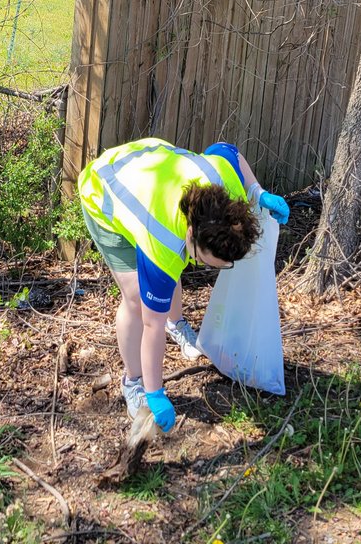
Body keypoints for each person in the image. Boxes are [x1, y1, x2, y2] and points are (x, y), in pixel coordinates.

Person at [77, 138, 289, 432]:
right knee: (138, 300)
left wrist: (258, 193)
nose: (212, 268)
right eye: (208, 261)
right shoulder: (162, 240)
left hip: (148, 161)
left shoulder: (227, 188)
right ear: (191, 234)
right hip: (104, 188)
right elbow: (151, 325)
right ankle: (133, 382)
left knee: (172, 272)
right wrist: (155, 393)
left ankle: (176, 325)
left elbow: (228, 152)